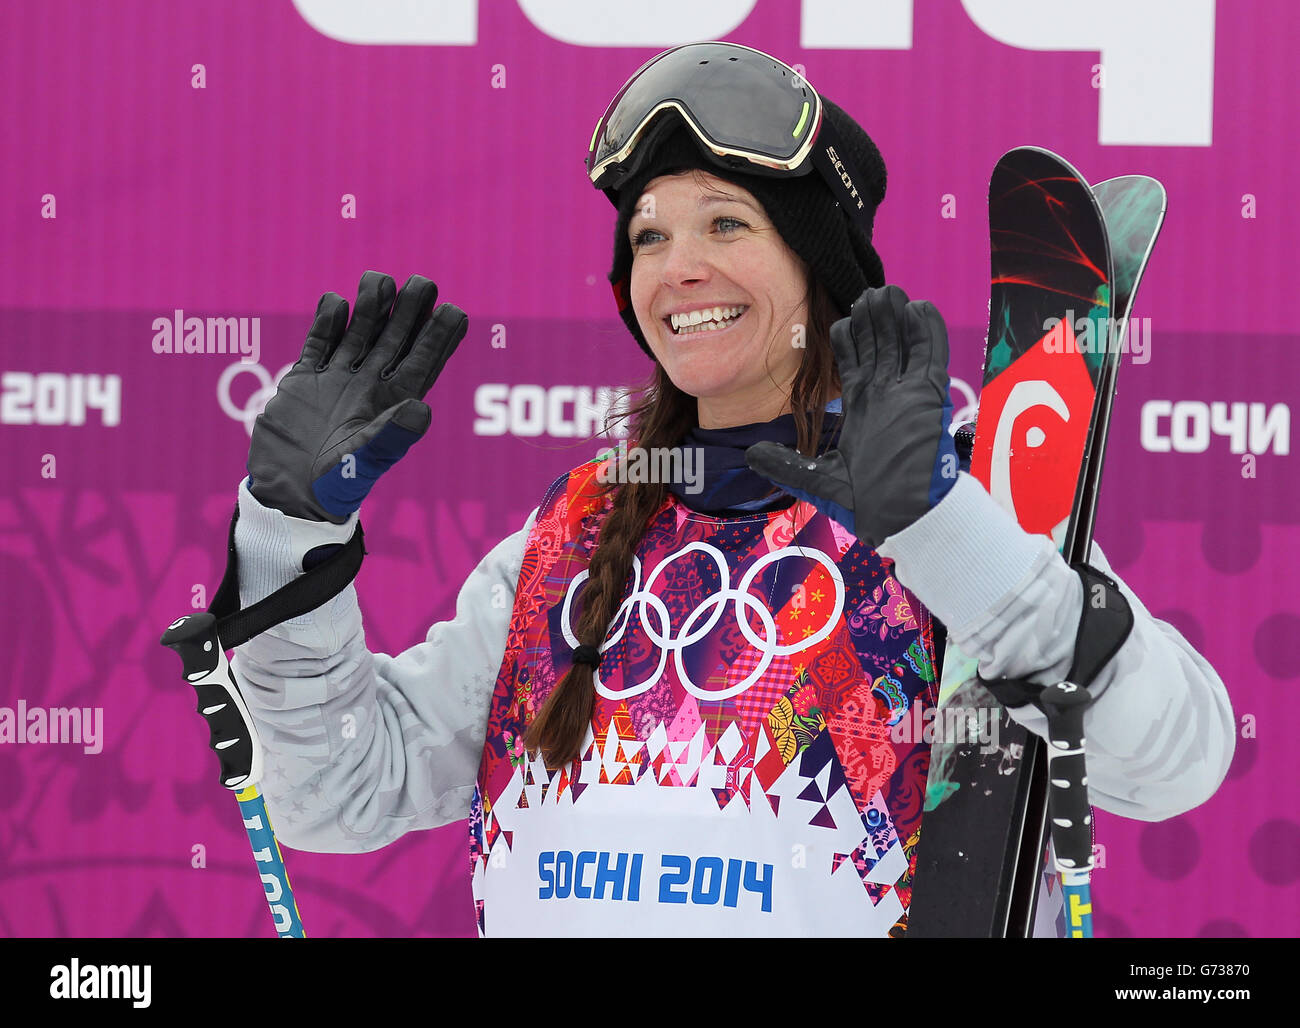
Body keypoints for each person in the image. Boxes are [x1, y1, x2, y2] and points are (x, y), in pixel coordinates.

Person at [229, 42, 1233, 937]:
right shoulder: (576, 530)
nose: (680, 269)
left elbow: (1176, 760)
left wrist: (941, 529)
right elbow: (339, 793)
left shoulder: (962, 500)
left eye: (725, 222)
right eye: (650, 238)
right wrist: (289, 538)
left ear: (816, 265)